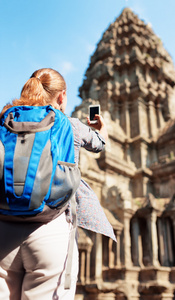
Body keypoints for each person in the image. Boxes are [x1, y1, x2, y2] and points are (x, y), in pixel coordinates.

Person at [0, 68, 115, 300]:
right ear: (61, 97)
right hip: (50, 230)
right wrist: (99, 129)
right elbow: (100, 144)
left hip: (3, 230)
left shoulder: (5, 119)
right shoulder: (70, 125)